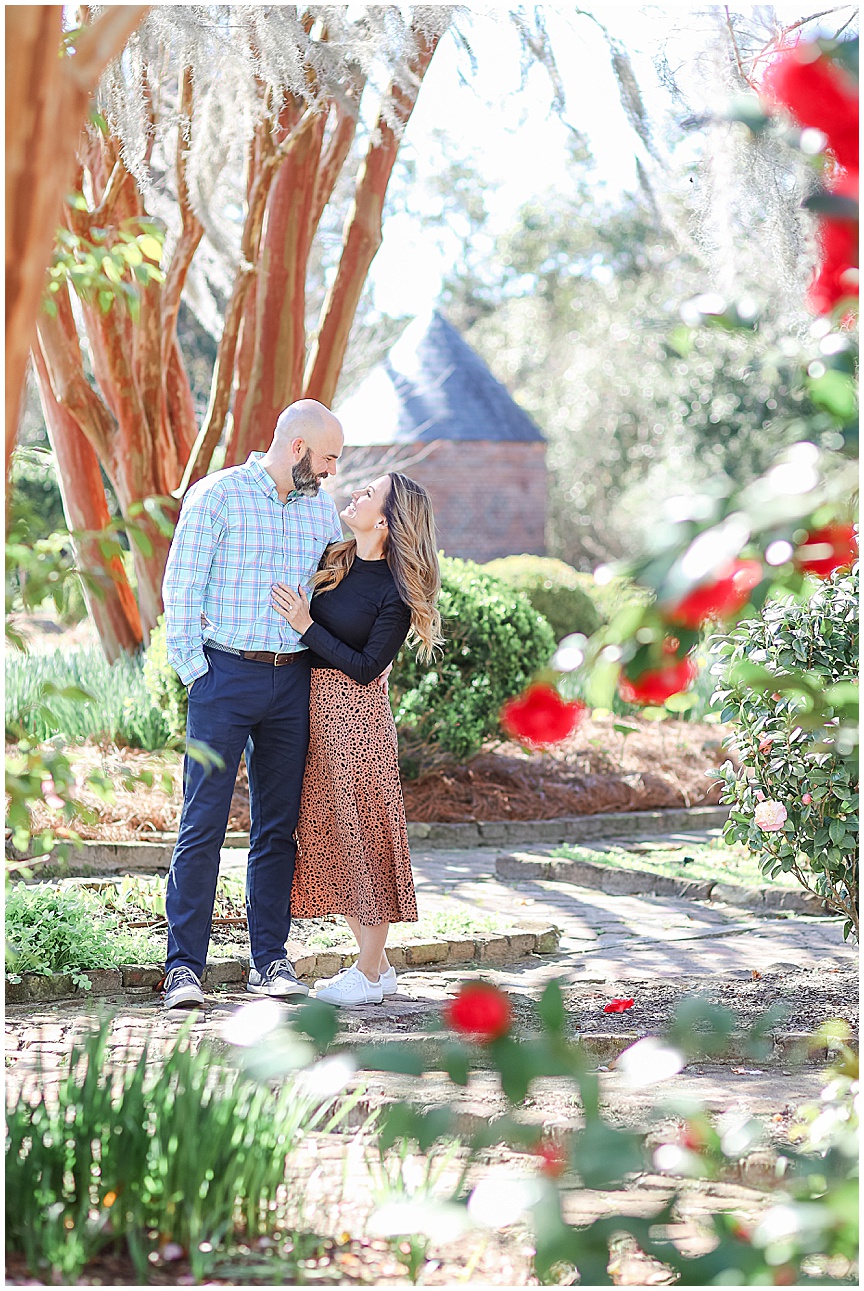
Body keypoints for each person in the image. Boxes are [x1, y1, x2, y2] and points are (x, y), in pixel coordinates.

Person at [160, 400, 344, 1010]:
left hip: (292, 684)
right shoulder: (217, 496)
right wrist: (197, 674)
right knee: (203, 823)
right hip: (224, 677)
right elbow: (181, 587)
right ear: (297, 450)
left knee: (278, 829)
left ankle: (269, 961)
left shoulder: (320, 510)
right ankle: (184, 968)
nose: (331, 473)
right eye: (327, 459)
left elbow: (336, 589)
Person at [270, 472, 442, 1006]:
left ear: (386, 521)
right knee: (335, 841)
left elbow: (369, 667)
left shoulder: (395, 590)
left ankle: (366, 974)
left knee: (364, 841)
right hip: (317, 718)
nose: (355, 495)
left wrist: (305, 625)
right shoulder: (337, 558)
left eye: (369, 494)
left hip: (357, 727)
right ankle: (381, 968)